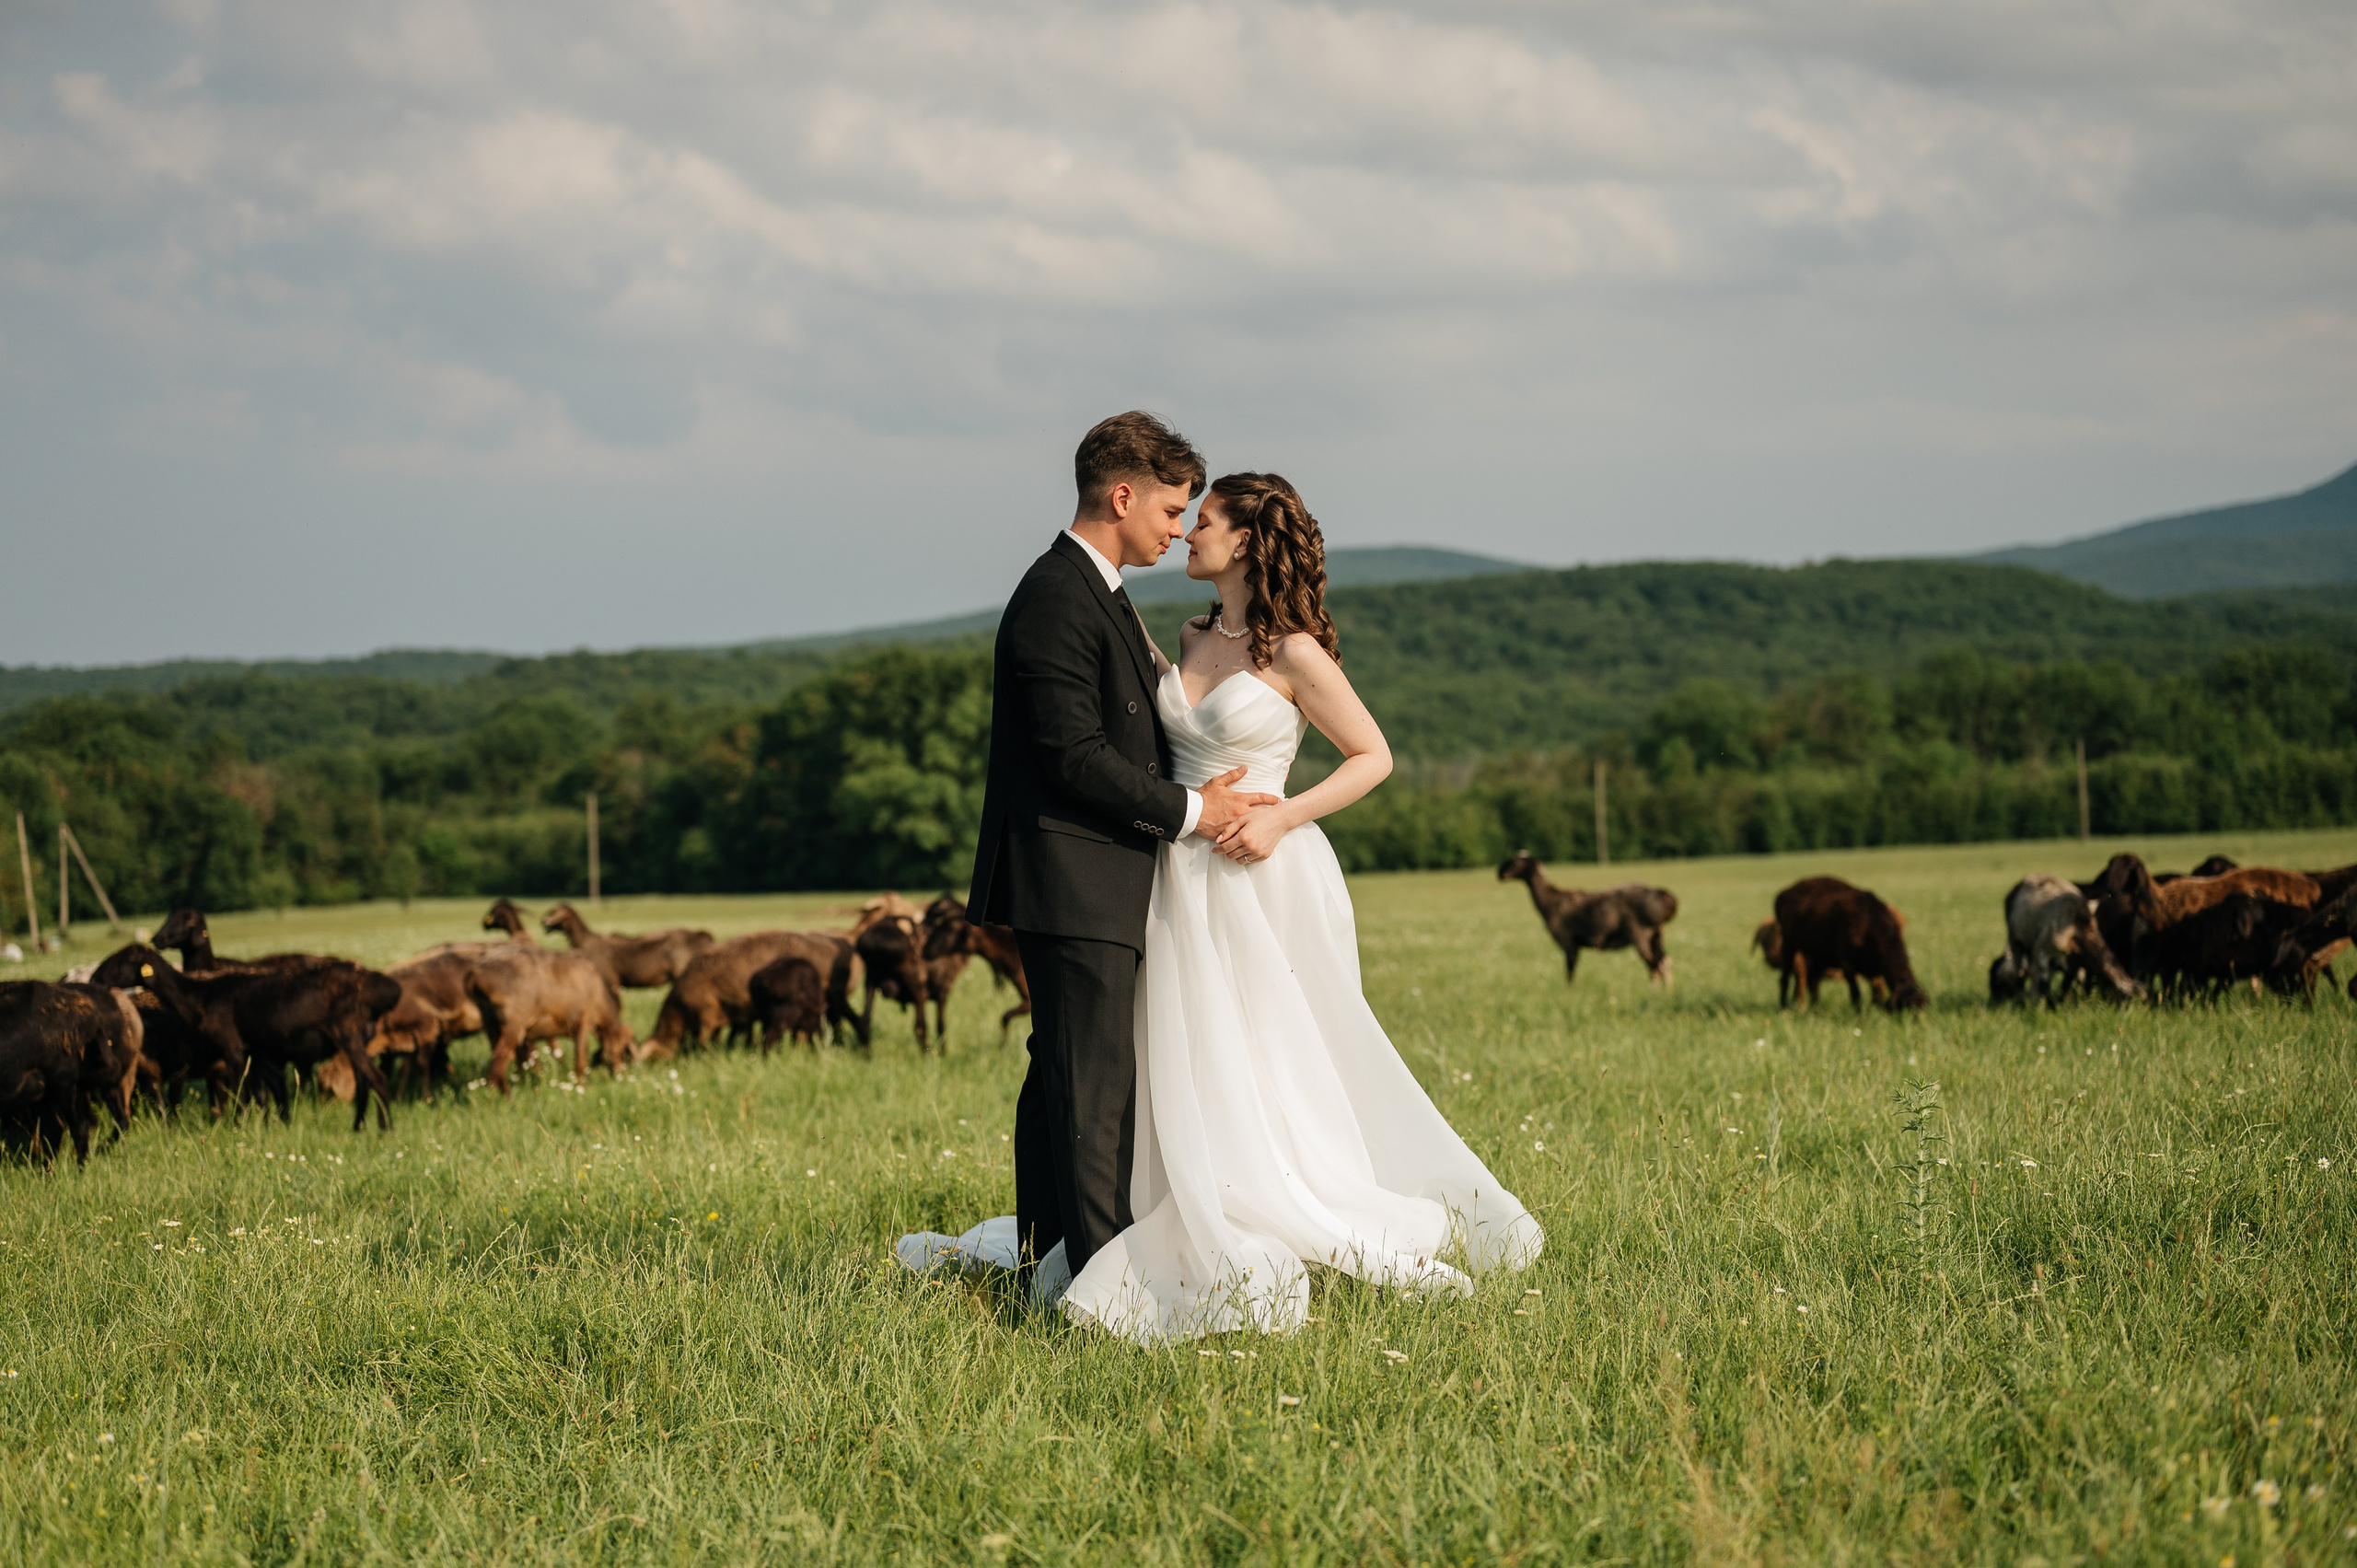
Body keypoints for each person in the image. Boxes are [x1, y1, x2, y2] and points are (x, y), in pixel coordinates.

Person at [900, 424, 1541, 1342]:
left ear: (1246, 540)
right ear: (1123, 498)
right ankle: (1107, 1243)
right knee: (1149, 1054)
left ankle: (1265, 1200)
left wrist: (1277, 815)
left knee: (1261, 1049)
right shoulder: (1170, 629)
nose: (1184, 531)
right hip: (1169, 870)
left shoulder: (1289, 651)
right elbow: (1095, 748)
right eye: (1175, 510)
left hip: (1255, 872)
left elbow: (1372, 754)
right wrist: (1194, 812)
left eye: (1200, 518)